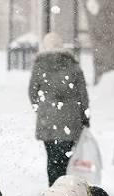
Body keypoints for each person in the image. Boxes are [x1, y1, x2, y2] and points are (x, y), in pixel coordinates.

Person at [29, 32, 90, 186]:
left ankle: (53, 188)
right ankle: (64, 188)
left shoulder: (39, 66)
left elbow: (32, 92)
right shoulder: (73, 65)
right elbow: (83, 94)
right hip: (70, 119)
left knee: (51, 157)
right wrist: (85, 115)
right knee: (65, 158)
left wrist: (41, 108)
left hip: (48, 120)